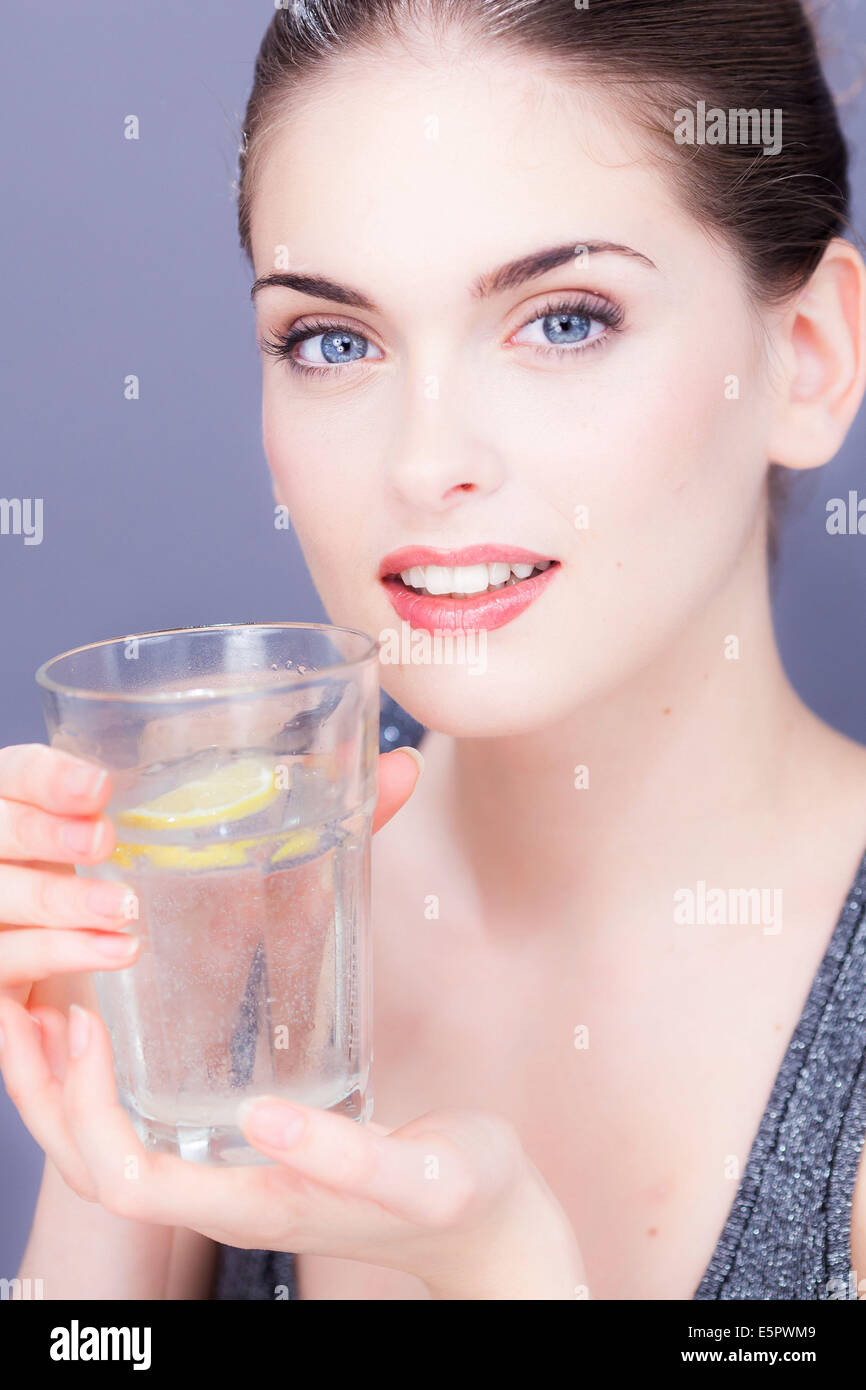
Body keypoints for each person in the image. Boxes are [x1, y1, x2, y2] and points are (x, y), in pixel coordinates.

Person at [3, 0, 866, 1300]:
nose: (423, 461)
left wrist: (503, 1277)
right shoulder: (228, 903)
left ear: (804, 359)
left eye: (563, 319)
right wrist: (110, 1133)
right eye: (332, 341)